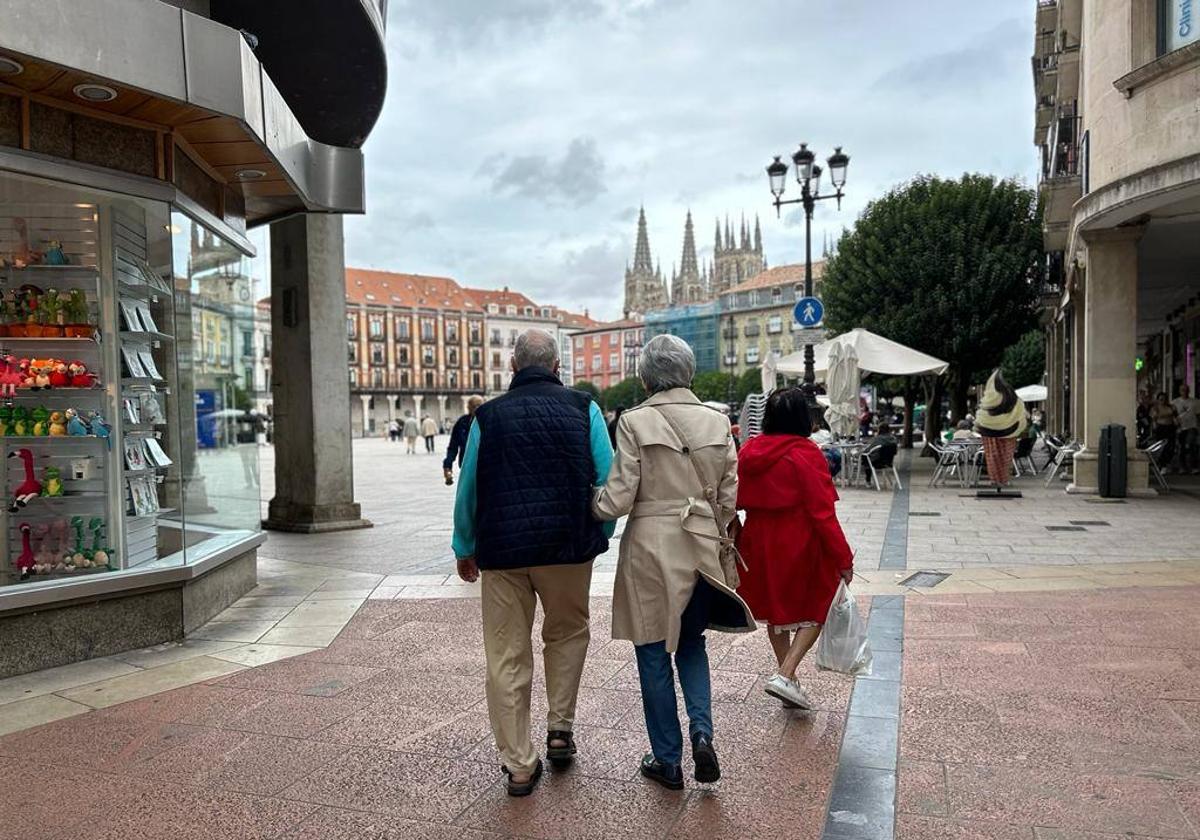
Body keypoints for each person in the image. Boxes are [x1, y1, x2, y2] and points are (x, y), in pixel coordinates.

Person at [452, 329, 614, 797]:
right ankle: (560, 729)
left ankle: (520, 765)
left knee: (506, 654)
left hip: (503, 553)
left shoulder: (488, 415)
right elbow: (606, 479)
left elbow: (469, 488)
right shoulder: (585, 408)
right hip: (567, 549)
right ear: (558, 367)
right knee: (566, 634)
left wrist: (465, 546)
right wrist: (598, 535)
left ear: (512, 367)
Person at [593, 335, 755, 791]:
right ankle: (702, 733)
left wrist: (590, 504)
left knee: (651, 650)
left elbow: (619, 499)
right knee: (691, 643)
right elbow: (729, 495)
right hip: (700, 542)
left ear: (646, 377)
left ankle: (667, 759)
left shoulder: (635, 421)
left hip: (650, 547)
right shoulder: (717, 421)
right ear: (689, 374)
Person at [734, 388, 854, 709]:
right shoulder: (806, 453)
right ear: (804, 417)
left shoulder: (748, 452)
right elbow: (822, 512)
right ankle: (786, 674)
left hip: (758, 540)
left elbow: (735, 498)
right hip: (798, 539)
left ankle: (788, 679)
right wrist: (844, 558)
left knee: (777, 611)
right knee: (820, 603)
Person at [443, 395, 484, 485]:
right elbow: (453, 446)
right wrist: (448, 465)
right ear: (468, 407)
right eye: (474, 406)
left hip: (485, 464)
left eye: (479, 406)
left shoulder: (488, 421)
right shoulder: (462, 422)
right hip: (466, 464)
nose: (477, 409)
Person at [1171, 384, 1198, 474]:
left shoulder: (1195, 402)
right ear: (1179, 391)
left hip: (1192, 426)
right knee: (1181, 447)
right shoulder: (1175, 402)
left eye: (1186, 390)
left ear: (1189, 391)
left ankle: (1193, 466)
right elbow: (1173, 415)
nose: (1184, 392)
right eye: (1182, 390)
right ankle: (1182, 467)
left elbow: (1198, 415)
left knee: (1190, 446)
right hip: (1181, 427)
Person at [1150, 391, 1178, 473]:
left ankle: (1166, 463)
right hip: (1161, 428)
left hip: (1170, 428)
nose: (1162, 401)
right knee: (1162, 447)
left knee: (1170, 447)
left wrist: (1177, 424)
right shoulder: (1155, 408)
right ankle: (1161, 464)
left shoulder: (1171, 407)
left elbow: (1175, 416)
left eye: (1164, 399)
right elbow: (1154, 418)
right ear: (1158, 400)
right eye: (1161, 399)